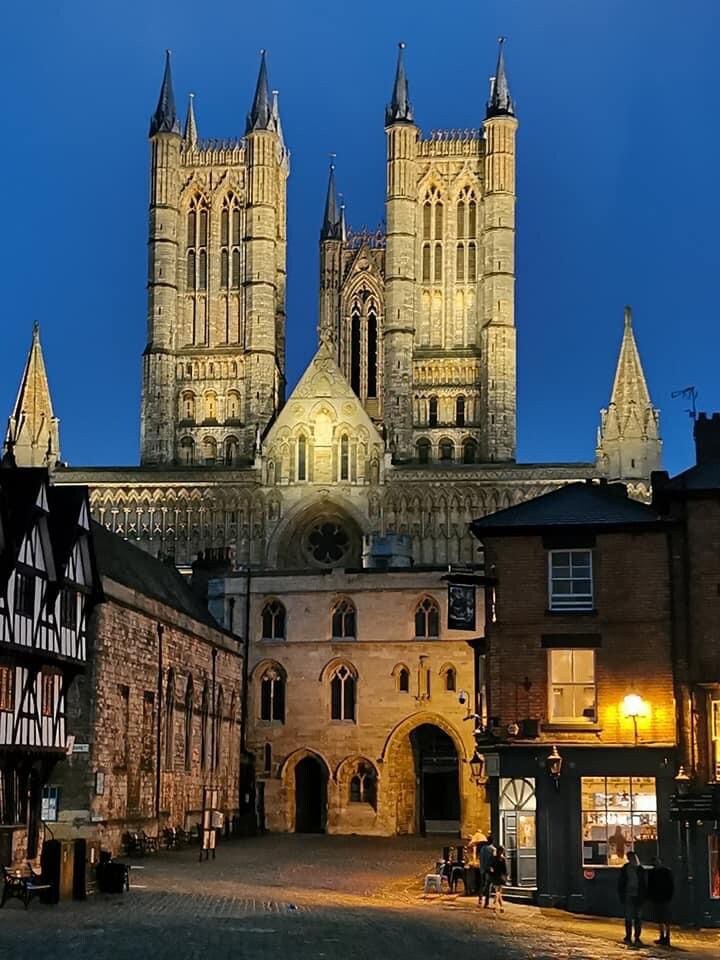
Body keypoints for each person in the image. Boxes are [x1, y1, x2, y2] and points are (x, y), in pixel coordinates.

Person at [618, 850, 647, 946]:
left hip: (637, 896)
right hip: (629, 895)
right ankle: (629, 936)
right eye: (629, 858)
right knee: (629, 917)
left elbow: (643, 884)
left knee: (637, 917)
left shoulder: (640, 869)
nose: (631, 860)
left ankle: (636, 937)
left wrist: (643, 896)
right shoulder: (626, 868)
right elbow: (621, 882)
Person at [647, 857, 674, 946]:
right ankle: (664, 936)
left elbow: (670, 885)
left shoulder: (663, 872)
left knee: (663, 919)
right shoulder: (658, 872)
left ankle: (666, 937)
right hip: (659, 898)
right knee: (662, 919)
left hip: (662, 898)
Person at [488, 844, 508, 914]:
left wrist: (491, 872)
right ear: (502, 851)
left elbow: (491, 866)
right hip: (500, 876)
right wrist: (506, 876)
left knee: (498, 891)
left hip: (494, 876)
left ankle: (501, 906)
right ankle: (495, 905)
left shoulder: (494, 858)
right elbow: (504, 869)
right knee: (498, 892)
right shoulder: (502, 859)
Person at [478, 834, 496, 908]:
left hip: (482, 869)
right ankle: (486, 903)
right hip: (489, 870)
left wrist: (481, 867)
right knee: (488, 886)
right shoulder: (493, 849)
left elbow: (480, 859)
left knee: (483, 885)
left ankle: (480, 898)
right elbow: (494, 860)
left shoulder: (483, 849)